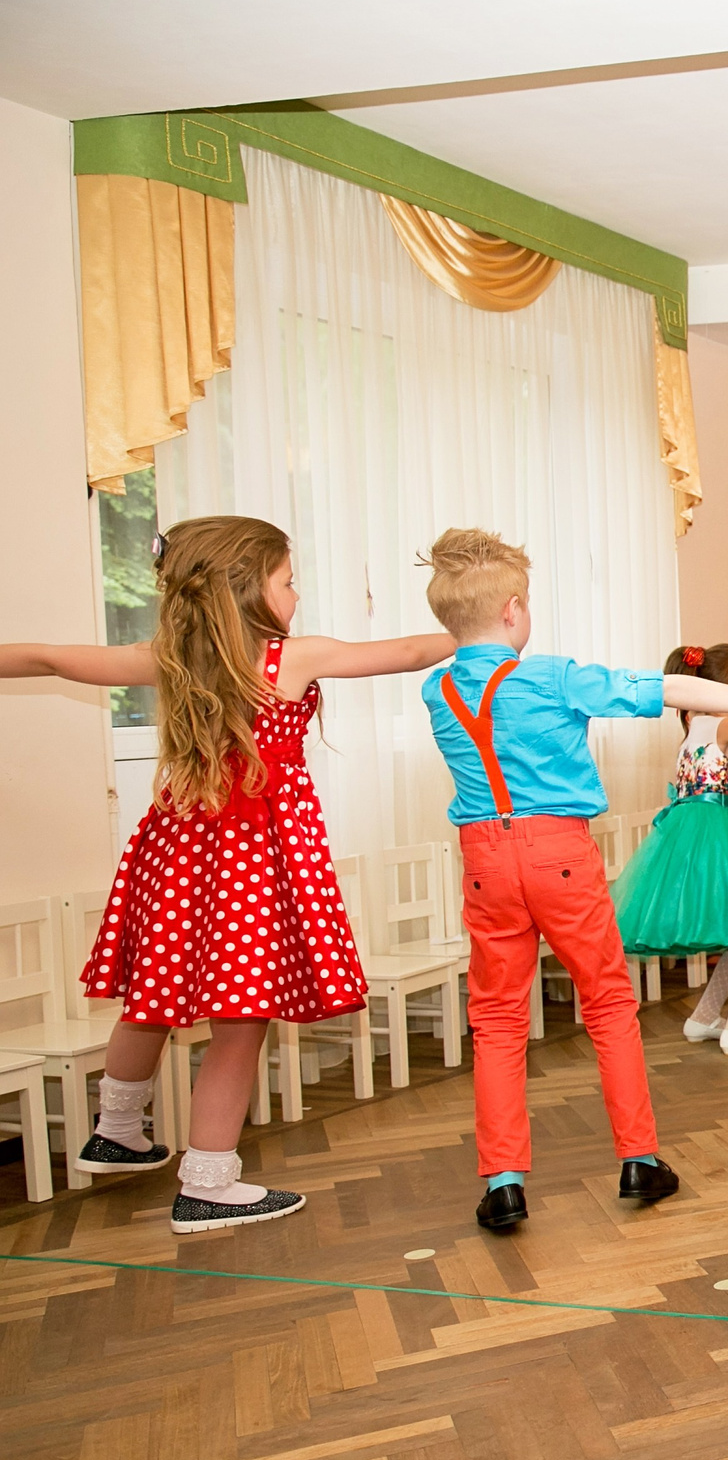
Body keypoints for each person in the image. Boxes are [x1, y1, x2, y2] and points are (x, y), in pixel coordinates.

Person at [0, 516, 453, 1231]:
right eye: (287, 580)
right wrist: (478, 633)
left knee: (154, 991)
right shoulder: (285, 659)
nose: (296, 594)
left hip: (176, 849)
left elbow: (53, 659)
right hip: (252, 856)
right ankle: (208, 1180)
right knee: (240, 1022)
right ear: (247, 590)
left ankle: (116, 1130)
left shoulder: (170, 657)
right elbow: (402, 651)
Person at [418, 530, 728, 1230]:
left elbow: (463, 661)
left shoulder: (437, 685)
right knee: (607, 1004)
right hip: (558, 852)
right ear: (515, 608)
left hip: (484, 858)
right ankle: (639, 1157)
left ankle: (503, 1180)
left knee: (495, 1018)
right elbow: (658, 687)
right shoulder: (546, 675)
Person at [611, 642, 728, 1056]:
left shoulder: (692, 730)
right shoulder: (724, 725)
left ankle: (704, 1017)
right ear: (721, 689)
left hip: (688, 834)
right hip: (723, 834)